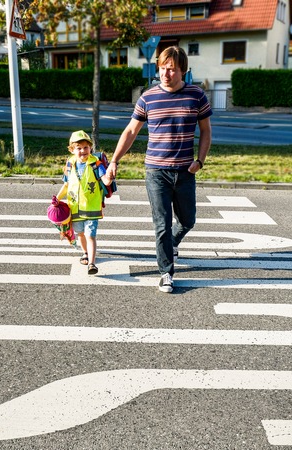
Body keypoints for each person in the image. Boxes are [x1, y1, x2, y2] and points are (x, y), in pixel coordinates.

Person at [107, 46, 212, 293]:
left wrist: (200, 161)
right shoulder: (148, 97)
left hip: (186, 171)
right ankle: (166, 272)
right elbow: (131, 132)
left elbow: (206, 131)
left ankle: (172, 243)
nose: (166, 73)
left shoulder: (197, 96)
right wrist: (114, 161)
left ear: (183, 71)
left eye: (172, 69)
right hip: (156, 172)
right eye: (163, 68)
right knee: (162, 224)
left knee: (188, 220)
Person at [56, 130, 113, 275]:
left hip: (91, 208)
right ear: (72, 150)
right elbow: (67, 184)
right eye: (79, 148)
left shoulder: (95, 164)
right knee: (80, 234)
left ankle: (92, 263)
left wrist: (109, 178)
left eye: (86, 147)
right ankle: (85, 253)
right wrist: (57, 198)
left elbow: (104, 180)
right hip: (75, 208)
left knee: (90, 235)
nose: (83, 151)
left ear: (90, 148)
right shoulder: (70, 164)